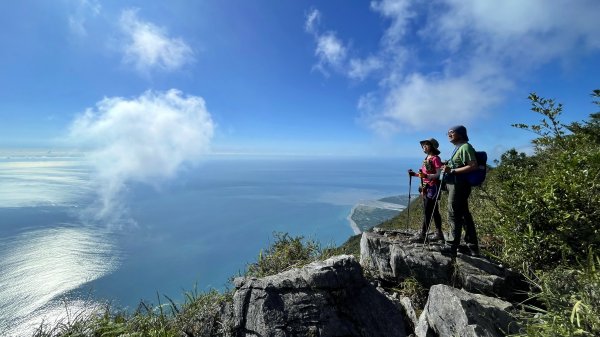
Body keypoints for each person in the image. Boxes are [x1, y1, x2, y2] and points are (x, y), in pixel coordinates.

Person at [440, 125, 479, 257]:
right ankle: (472, 246)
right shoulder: (458, 148)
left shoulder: (465, 147)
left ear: (460, 134)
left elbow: (473, 165)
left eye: (452, 132)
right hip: (456, 185)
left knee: (453, 213)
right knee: (464, 215)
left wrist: (451, 171)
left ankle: (451, 246)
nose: (449, 134)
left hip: (459, 186)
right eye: (448, 132)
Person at [408, 138, 444, 243]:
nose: (424, 147)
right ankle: (439, 233)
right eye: (423, 145)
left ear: (432, 146)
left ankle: (423, 234)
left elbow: (438, 174)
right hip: (426, 187)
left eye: (426, 145)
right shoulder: (427, 158)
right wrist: (414, 174)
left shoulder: (435, 158)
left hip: (433, 187)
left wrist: (425, 175)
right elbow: (423, 175)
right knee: (434, 210)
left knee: (428, 210)